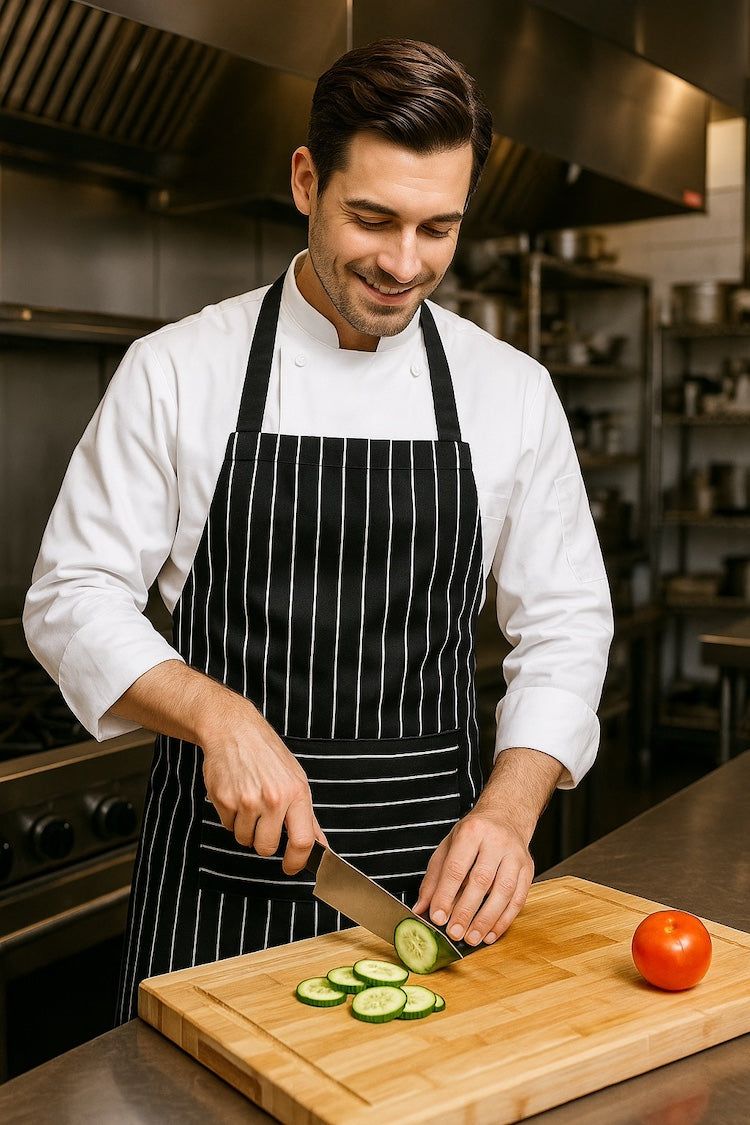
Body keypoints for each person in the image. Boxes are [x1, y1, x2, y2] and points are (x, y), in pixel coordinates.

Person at [23, 38, 613, 1022]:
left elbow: (566, 624)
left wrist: (510, 813)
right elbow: (72, 594)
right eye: (372, 218)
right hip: (214, 890)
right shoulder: (176, 371)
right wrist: (218, 716)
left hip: (434, 894)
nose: (402, 262)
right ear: (306, 181)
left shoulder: (510, 391)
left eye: (438, 229)